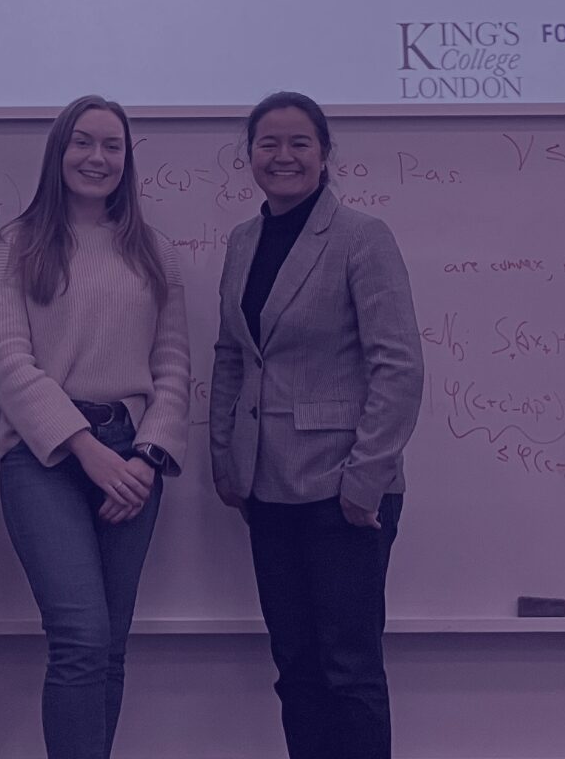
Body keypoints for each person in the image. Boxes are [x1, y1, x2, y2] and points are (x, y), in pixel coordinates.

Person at [210, 91, 424, 759]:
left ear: (326, 154)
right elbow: (230, 356)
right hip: (266, 489)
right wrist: (226, 457)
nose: (283, 156)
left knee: (348, 670)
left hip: (344, 494)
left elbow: (399, 367)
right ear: (249, 157)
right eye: (268, 143)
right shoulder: (244, 241)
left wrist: (365, 481)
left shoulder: (363, 237)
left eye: (299, 142)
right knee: (295, 668)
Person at [0, 95, 191, 759]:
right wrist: (84, 449)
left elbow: (173, 362)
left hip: (135, 460)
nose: (96, 158)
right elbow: (9, 362)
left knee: (110, 645)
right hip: (43, 460)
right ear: (58, 152)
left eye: (111, 146)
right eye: (82, 142)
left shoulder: (153, 250)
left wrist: (148, 455)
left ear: (126, 161)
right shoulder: (17, 244)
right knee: (78, 638)